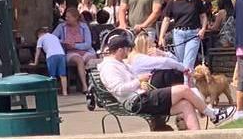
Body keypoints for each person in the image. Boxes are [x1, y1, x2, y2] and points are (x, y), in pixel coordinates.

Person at [97, 30, 232, 131]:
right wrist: (139, 81)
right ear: (120, 50)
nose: (128, 52)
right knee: (183, 89)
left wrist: (142, 82)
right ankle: (214, 115)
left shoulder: (119, 63)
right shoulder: (109, 67)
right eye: (127, 49)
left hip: (142, 97)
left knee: (186, 104)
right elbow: (118, 89)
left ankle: (197, 138)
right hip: (136, 102)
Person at [159, 0, 208, 72]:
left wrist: (203, 29)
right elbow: (166, 19)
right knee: (180, 62)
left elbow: (203, 16)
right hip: (178, 33)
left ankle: (186, 85)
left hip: (193, 33)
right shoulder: (173, 1)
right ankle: (187, 83)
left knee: (188, 63)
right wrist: (161, 36)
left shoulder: (195, 0)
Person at [52, 12, 97, 93]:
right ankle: (84, 86)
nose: (66, 18)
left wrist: (74, 45)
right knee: (79, 60)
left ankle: (94, 84)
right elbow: (52, 38)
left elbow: (88, 44)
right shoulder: (61, 26)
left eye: (68, 17)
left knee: (92, 59)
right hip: (70, 52)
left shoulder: (84, 26)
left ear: (75, 18)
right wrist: (63, 41)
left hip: (85, 51)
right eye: (66, 17)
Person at [32, 27, 68, 95]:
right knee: (63, 75)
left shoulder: (41, 38)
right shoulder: (54, 36)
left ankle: (53, 91)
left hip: (51, 55)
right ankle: (65, 92)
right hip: (61, 54)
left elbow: (38, 51)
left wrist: (35, 62)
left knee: (52, 76)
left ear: (39, 34)